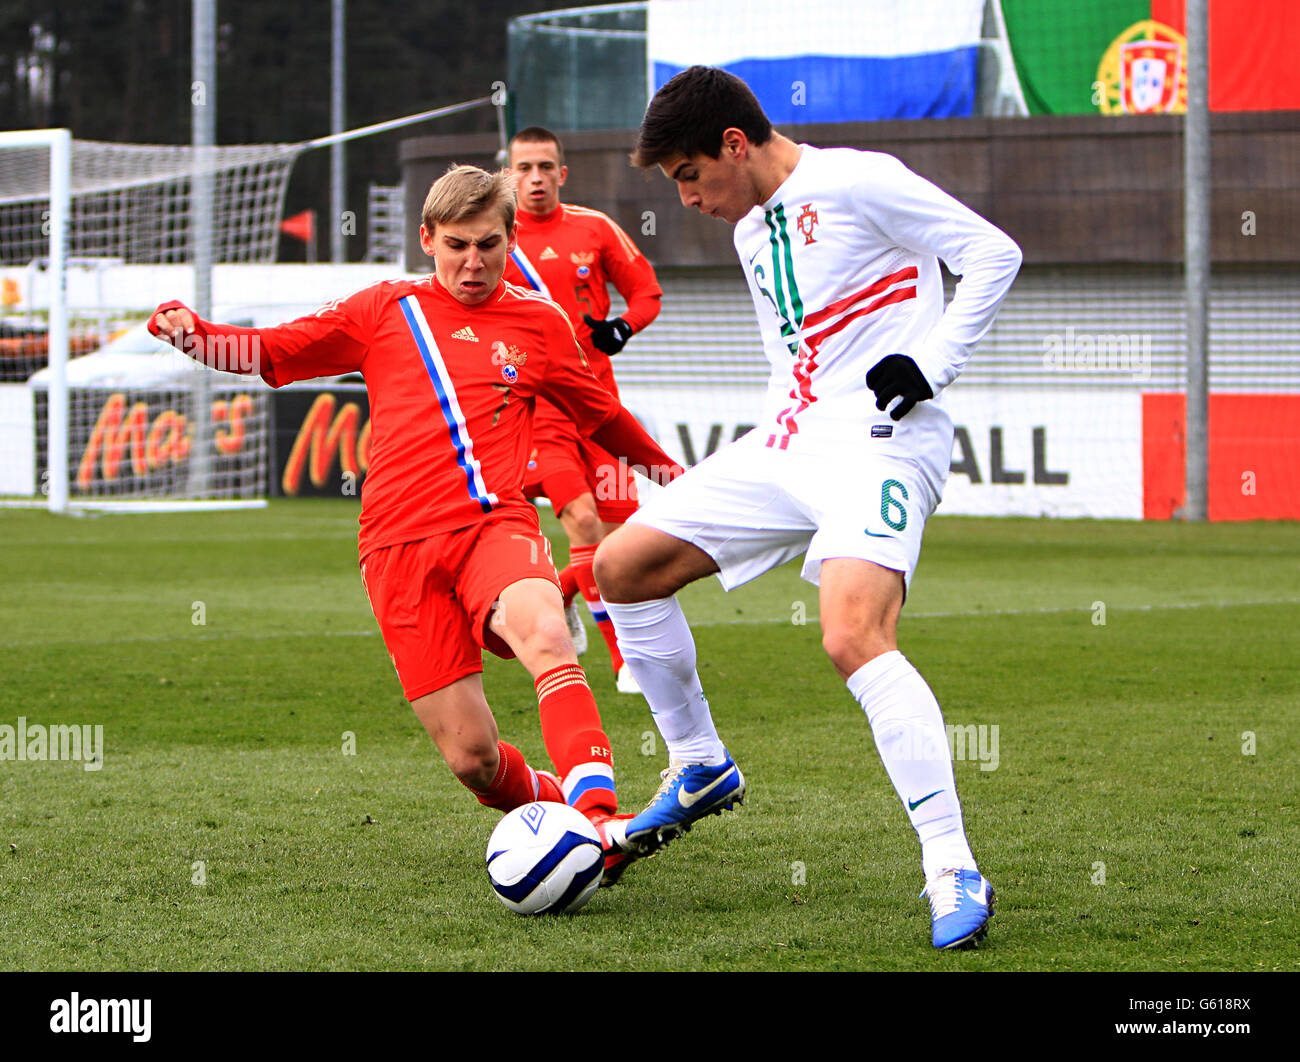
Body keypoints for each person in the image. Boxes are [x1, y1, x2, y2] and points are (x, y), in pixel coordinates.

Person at [148, 164, 681, 884]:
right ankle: (565, 821)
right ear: (426, 238)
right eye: (457, 244)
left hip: (494, 523)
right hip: (395, 549)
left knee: (547, 635)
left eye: (489, 245)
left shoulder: (540, 323)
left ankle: (599, 820)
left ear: (508, 238)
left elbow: (601, 414)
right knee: (474, 758)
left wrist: (670, 475)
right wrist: (194, 335)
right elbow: (275, 353)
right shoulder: (382, 310)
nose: (473, 262)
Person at [593, 66, 1022, 947]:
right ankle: (700, 765)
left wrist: (929, 365)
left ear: (735, 144)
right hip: (789, 447)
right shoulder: (752, 228)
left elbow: (992, 254)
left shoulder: (860, 179)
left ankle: (950, 864)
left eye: (688, 176)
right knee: (620, 570)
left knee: (849, 633)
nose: (685, 199)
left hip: (882, 441)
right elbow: (799, 359)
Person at [503, 126, 663, 695]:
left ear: (562, 173)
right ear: (508, 173)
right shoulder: (495, 239)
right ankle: (625, 663)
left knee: (620, 539)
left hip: (598, 406)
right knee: (584, 520)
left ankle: (560, 591)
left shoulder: (594, 228)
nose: (536, 178)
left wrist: (623, 325)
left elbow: (647, 293)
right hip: (536, 410)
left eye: (545, 167)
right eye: (524, 168)